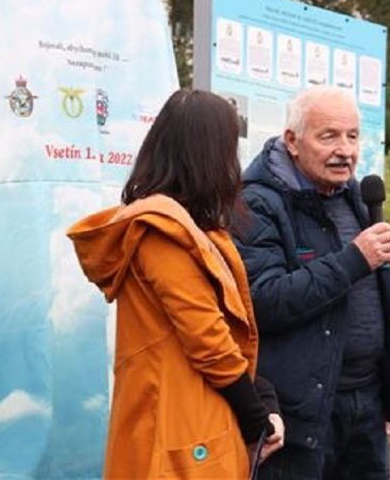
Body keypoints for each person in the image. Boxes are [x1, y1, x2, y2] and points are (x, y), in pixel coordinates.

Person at [67, 90, 284, 478]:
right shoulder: (162, 232)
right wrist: (255, 418)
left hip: (194, 420)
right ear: (208, 153)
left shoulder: (191, 227)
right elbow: (208, 340)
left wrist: (261, 398)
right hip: (179, 431)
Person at [232, 85, 390, 479]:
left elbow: (378, 306)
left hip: (366, 404)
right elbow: (262, 301)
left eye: (352, 136)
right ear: (292, 141)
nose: (345, 150)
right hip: (299, 415)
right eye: (329, 136)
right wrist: (353, 259)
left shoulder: (358, 197)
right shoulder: (257, 203)